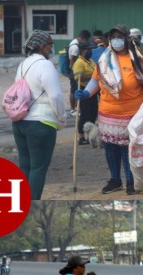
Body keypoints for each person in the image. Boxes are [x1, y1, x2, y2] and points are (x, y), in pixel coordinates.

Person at [75, 24, 143, 195]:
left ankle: (130, 181)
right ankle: (115, 179)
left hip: (132, 113)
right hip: (108, 113)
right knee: (110, 148)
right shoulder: (104, 59)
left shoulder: (137, 58)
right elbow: (96, 81)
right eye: (113, 37)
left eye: (119, 37)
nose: (116, 40)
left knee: (127, 148)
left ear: (127, 38)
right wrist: (85, 93)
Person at [12, 30, 66, 200]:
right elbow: (55, 96)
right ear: (42, 47)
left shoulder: (23, 64)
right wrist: (62, 118)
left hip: (19, 122)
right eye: (50, 46)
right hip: (41, 123)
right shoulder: (45, 65)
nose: (51, 49)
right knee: (38, 168)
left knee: (25, 166)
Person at [72, 41, 98, 145]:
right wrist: (93, 76)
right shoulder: (79, 62)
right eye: (88, 50)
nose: (90, 52)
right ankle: (81, 136)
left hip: (93, 90)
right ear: (82, 51)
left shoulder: (90, 61)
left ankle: (90, 135)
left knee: (93, 112)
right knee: (84, 114)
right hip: (83, 89)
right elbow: (78, 77)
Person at [68, 30, 92, 115]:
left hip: (77, 69)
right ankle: (73, 109)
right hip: (75, 70)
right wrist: (76, 69)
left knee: (75, 90)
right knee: (74, 89)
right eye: (86, 39)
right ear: (82, 38)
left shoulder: (75, 43)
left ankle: (76, 108)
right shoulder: (75, 47)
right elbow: (72, 59)